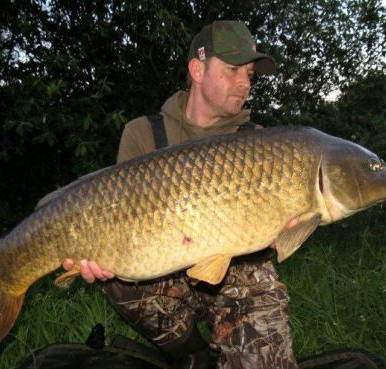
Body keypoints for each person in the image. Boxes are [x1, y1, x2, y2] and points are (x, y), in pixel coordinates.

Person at [62, 21, 298, 369]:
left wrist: (289, 227)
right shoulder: (143, 133)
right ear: (197, 70)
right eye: (233, 69)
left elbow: (280, 236)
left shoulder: (259, 143)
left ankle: (233, 341)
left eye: (249, 72)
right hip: (165, 273)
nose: (245, 82)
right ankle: (191, 352)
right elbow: (116, 217)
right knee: (116, 274)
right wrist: (94, 251)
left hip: (237, 280)